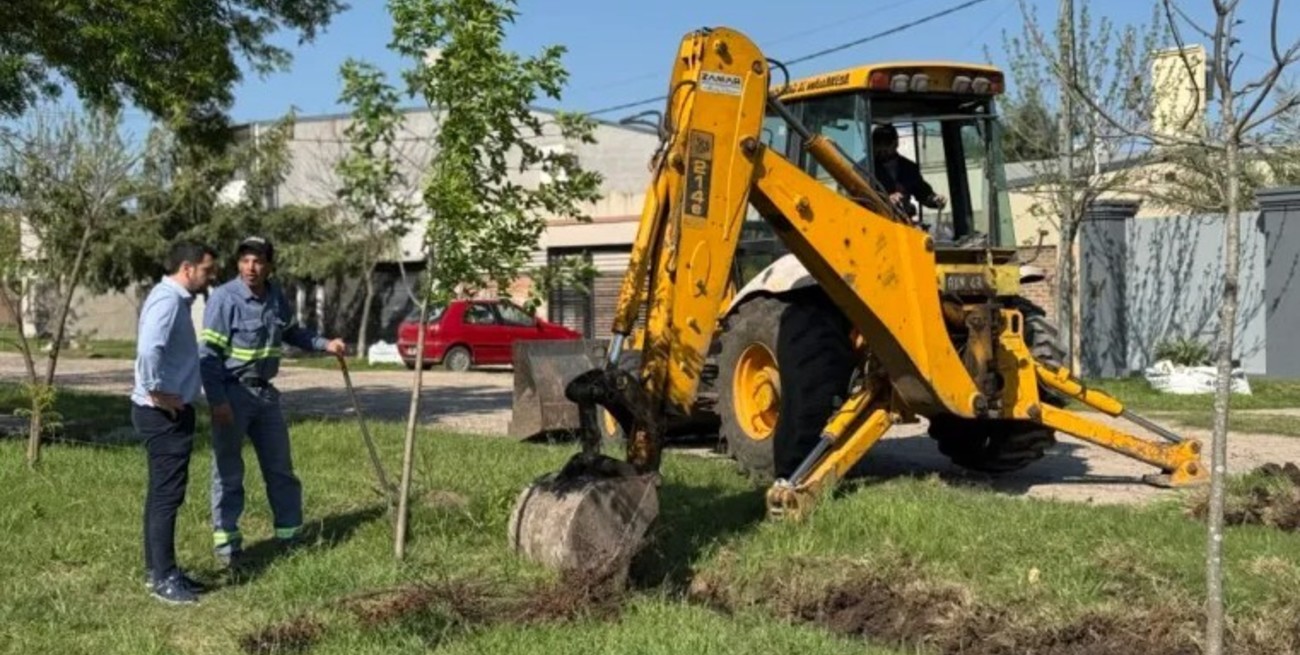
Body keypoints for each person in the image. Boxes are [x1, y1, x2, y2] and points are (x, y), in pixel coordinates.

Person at [199, 236, 346, 567]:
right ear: (238, 264)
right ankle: (228, 546)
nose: (251, 268)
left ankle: (290, 536)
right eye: (245, 260)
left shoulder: (276, 297)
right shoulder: (224, 299)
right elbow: (208, 356)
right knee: (228, 472)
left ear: (269, 265)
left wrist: (326, 344)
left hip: (266, 396)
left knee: (281, 470)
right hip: (233, 393)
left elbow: (293, 332)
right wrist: (218, 400)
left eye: (258, 261)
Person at [132, 241, 217, 604]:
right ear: (188, 267)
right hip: (162, 414)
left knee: (161, 495)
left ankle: (160, 571)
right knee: (167, 496)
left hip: (164, 411)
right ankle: (164, 578)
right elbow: (149, 347)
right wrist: (154, 391)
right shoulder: (168, 300)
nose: (210, 276)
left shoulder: (170, 298)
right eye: (207, 269)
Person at [870, 123, 947, 219]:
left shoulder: (909, 168)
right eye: (877, 143)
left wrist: (935, 200)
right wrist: (885, 200)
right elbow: (858, 196)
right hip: (875, 221)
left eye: (886, 142)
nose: (882, 148)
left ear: (896, 143)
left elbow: (923, 193)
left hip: (904, 223)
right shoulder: (865, 169)